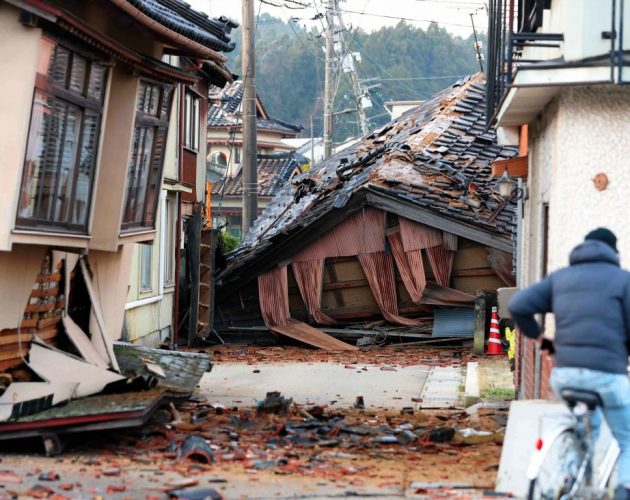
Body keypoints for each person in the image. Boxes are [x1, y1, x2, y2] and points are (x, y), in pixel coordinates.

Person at [509, 228, 630, 499]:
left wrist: (543, 341)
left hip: (564, 375)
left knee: (588, 429)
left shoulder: (560, 279)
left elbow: (518, 305)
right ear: (614, 251)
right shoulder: (623, 281)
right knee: (627, 438)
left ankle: (570, 481)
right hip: (606, 374)